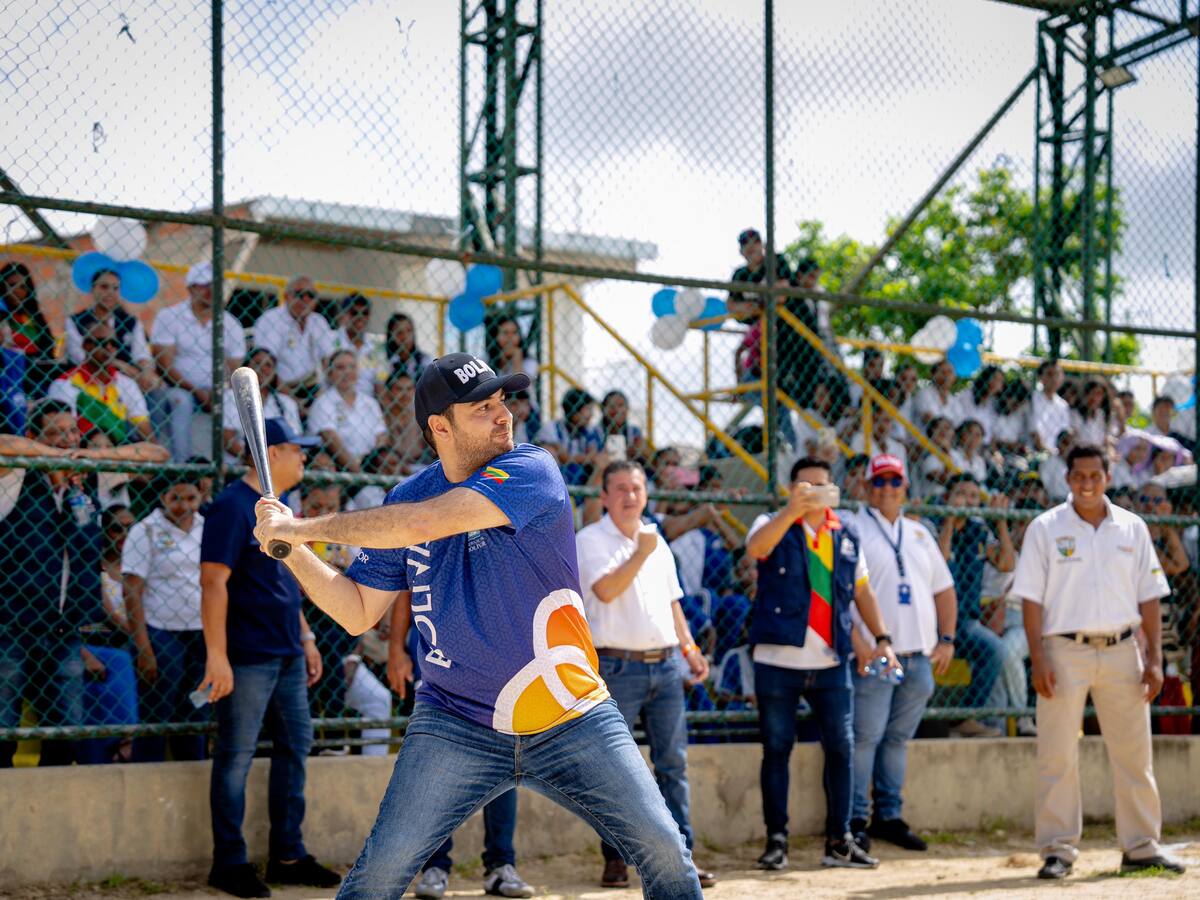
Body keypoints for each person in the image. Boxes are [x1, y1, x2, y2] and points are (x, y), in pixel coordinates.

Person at [251, 352, 704, 898]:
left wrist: (300, 527)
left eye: (502, 401)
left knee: (665, 854)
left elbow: (424, 522)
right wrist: (291, 550)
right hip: (455, 721)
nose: (503, 414)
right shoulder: (405, 497)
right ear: (439, 427)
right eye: (482, 407)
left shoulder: (532, 468)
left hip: (570, 711)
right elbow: (355, 611)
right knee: (377, 876)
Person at [1012, 444, 1185, 879]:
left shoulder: (1133, 528)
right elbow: (1030, 598)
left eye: (1095, 475)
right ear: (1067, 479)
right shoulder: (1044, 528)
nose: (1087, 484)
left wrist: (1153, 658)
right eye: (1078, 476)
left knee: (1134, 751)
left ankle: (1142, 845)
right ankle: (1058, 848)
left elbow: (1149, 595)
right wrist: (1038, 657)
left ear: (1107, 477)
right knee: (1056, 751)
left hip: (1124, 649)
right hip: (1063, 650)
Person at [196, 418, 339, 898]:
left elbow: (285, 580)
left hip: (286, 652)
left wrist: (306, 636)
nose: (304, 459)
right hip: (247, 655)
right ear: (271, 453)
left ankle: (288, 855)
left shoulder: (279, 509)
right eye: (298, 451)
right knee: (235, 757)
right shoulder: (231, 507)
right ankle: (229, 862)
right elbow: (213, 582)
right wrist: (217, 657)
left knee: (297, 747)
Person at [745, 457, 898, 871]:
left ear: (834, 490)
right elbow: (756, 549)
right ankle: (777, 840)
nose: (813, 492)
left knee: (841, 749)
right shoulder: (771, 521)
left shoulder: (845, 532)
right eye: (804, 485)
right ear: (792, 488)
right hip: (777, 659)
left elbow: (862, 592)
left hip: (832, 662)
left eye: (821, 485)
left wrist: (881, 638)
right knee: (776, 749)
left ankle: (840, 839)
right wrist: (791, 511)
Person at [0, 399, 167, 768]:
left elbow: (157, 454)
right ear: (34, 438)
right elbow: (3, 443)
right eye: (56, 432)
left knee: (66, 737)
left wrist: (78, 455)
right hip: (10, 627)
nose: (66, 438)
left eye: (72, 431)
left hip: (63, 631)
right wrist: (51, 457)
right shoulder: (15, 478)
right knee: (3, 731)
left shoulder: (89, 475)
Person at [576, 459, 717, 889]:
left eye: (636, 488)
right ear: (603, 497)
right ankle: (616, 861)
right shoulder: (590, 540)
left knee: (673, 766)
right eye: (619, 488)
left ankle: (682, 860)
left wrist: (690, 648)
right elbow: (605, 590)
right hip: (617, 667)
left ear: (646, 494)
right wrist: (640, 552)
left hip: (666, 666)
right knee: (614, 771)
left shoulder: (656, 541)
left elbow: (673, 602)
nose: (629, 496)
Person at [848, 454, 957, 853]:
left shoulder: (920, 533)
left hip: (917, 655)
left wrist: (947, 639)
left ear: (906, 487)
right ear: (864, 486)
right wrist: (858, 642)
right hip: (876, 652)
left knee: (896, 739)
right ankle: (855, 819)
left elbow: (944, 589)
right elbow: (843, 594)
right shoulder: (852, 526)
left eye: (895, 482)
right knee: (866, 738)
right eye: (879, 482)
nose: (887, 489)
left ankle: (888, 816)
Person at [124, 473, 208, 762]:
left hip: (201, 630)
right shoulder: (145, 530)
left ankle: (191, 770)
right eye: (176, 498)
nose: (183, 506)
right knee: (158, 709)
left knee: (196, 709)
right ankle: (147, 775)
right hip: (161, 630)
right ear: (162, 498)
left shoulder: (206, 528)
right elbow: (132, 590)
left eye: (190, 498)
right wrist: (143, 646)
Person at [936, 474, 1014, 737]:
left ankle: (966, 718)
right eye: (960, 494)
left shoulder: (979, 530)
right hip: (932, 621)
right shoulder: (931, 521)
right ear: (946, 498)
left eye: (972, 495)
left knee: (995, 650)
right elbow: (939, 563)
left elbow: (1006, 563)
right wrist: (949, 519)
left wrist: (1000, 522)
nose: (967, 501)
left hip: (966, 621)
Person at [151, 261, 247, 461]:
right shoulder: (170, 316)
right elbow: (164, 365)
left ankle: (229, 469)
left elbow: (235, 369)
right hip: (179, 387)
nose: (210, 290)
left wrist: (220, 390)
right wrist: (197, 391)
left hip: (218, 389)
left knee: (232, 402)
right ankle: (182, 464)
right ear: (191, 288)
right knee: (181, 401)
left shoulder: (230, 323)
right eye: (204, 285)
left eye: (214, 285)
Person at [48, 319, 156, 443]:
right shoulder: (64, 383)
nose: (109, 348)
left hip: (119, 450)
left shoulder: (127, 383)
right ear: (86, 346)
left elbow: (143, 427)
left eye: (114, 343)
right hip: (81, 449)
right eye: (102, 342)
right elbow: (65, 432)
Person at [65, 268, 157, 394]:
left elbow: (141, 354)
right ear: (92, 289)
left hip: (129, 380)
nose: (110, 292)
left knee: (157, 393)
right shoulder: (76, 321)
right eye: (104, 287)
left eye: (115, 288)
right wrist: (117, 364)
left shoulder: (130, 322)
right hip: (89, 380)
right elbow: (79, 357)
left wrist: (146, 373)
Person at [252, 275, 334, 404]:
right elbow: (265, 366)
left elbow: (329, 361)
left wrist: (323, 396)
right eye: (299, 294)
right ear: (286, 296)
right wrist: (293, 401)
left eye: (311, 295)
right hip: (278, 391)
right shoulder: (271, 319)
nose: (305, 299)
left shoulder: (319, 322)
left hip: (314, 390)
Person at [307, 349, 386, 473]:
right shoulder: (323, 404)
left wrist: (375, 467)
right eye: (340, 368)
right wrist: (360, 474)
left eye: (352, 367)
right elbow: (332, 442)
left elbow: (381, 437)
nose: (347, 372)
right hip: (338, 468)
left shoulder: (370, 403)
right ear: (330, 373)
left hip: (370, 466)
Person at [221, 348, 302, 465]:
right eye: (257, 364)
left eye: (268, 365)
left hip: (278, 464)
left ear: (274, 373)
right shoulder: (231, 397)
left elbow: (295, 441)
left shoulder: (287, 404)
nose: (263, 369)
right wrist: (256, 462)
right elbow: (228, 440)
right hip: (240, 464)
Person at [0, 260, 59, 397]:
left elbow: (48, 348)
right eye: (12, 285)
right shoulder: (2, 315)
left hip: (39, 369)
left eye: (23, 287)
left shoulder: (34, 317)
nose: (17, 291)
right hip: (11, 369)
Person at [535, 386, 604, 485]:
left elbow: (593, 452)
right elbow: (564, 457)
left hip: (583, 476)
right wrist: (589, 458)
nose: (591, 414)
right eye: (588, 409)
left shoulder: (590, 430)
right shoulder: (553, 428)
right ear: (575, 409)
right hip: (559, 476)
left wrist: (590, 457)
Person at [327, 294, 388, 397]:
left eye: (365, 313)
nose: (360, 317)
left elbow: (380, 383)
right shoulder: (330, 340)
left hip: (365, 406)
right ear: (344, 314)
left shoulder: (376, 348)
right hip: (333, 403)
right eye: (354, 313)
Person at [379, 369, 429, 473]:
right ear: (389, 392)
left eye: (409, 389)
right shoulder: (382, 416)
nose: (405, 394)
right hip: (391, 469)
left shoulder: (420, 415)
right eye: (399, 389)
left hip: (419, 465)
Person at [1030, 360, 1071, 454]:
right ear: (1040, 377)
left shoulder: (1063, 405)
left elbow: (1065, 432)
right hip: (1035, 452)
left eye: (1057, 374)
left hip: (1058, 453)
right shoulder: (1033, 399)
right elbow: (1033, 432)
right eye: (1049, 374)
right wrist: (1048, 452)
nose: (1054, 378)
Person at [486, 313, 540, 383]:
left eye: (514, 332)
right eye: (505, 333)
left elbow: (519, 386)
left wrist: (517, 359)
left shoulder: (529, 361)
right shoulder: (486, 358)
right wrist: (502, 362)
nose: (510, 337)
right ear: (496, 336)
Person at [384, 311, 430, 381]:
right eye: (399, 332)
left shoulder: (424, 361)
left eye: (409, 331)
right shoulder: (385, 361)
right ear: (391, 335)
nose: (405, 337)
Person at [913, 359, 958, 427]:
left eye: (950, 372)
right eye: (943, 372)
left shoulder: (954, 400)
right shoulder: (924, 394)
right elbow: (929, 420)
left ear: (955, 377)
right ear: (933, 375)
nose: (947, 375)